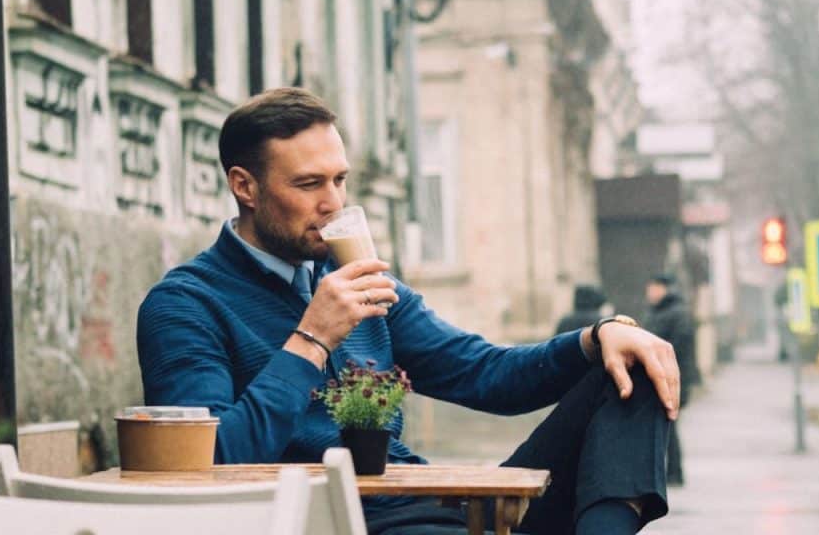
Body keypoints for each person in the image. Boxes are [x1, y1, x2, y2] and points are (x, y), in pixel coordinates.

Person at [137, 88, 680, 535]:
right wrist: (311, 340)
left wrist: (593, 339)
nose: (333, 203)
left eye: (339, 180)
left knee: (631, 365)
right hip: (342, 524)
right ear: (244, 187)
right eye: (308, 184)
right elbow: (205, 467)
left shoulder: (362, 283)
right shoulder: (186, 305)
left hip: (440, 511)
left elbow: (486, 374)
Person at [643, 273, 698, 487]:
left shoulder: (677, 314)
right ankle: (669, 472)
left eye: (653, 288)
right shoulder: (656, 312)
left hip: (672, 378)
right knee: (665, 427)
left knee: (668, 426)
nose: (649, 293)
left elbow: (679, 348)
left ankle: (674, 472)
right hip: (658, 377)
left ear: (663, 289)